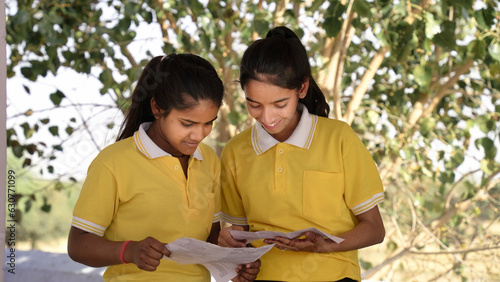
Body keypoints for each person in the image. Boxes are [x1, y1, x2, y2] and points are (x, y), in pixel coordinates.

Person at [68, 53, 260, 282]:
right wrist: (129, 250)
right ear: (157, 108)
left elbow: (211, 238)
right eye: (187, 123)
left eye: (208, 123)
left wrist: (235, 262)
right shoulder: (113, 163)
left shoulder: (208, 160)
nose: (199, 135)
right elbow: (78, 244)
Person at [218, 26, 385, 282]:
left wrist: (324, 245)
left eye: (280, 104)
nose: (267, 117)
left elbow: (374, 230)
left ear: (302, 89)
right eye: (254, 104)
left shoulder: (339, 139)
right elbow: (239, 234)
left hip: (335, 277)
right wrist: (231, 247)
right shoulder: (235, 152)